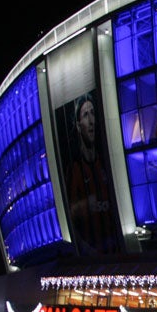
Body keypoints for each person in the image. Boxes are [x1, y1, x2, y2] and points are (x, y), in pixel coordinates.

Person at [65, 95, 118, 254]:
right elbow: (70, 219)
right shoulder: (74, 171)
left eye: (93, 113)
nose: (91, 121)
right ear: (78, 125)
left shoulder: (106, 165)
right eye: (85, 115)